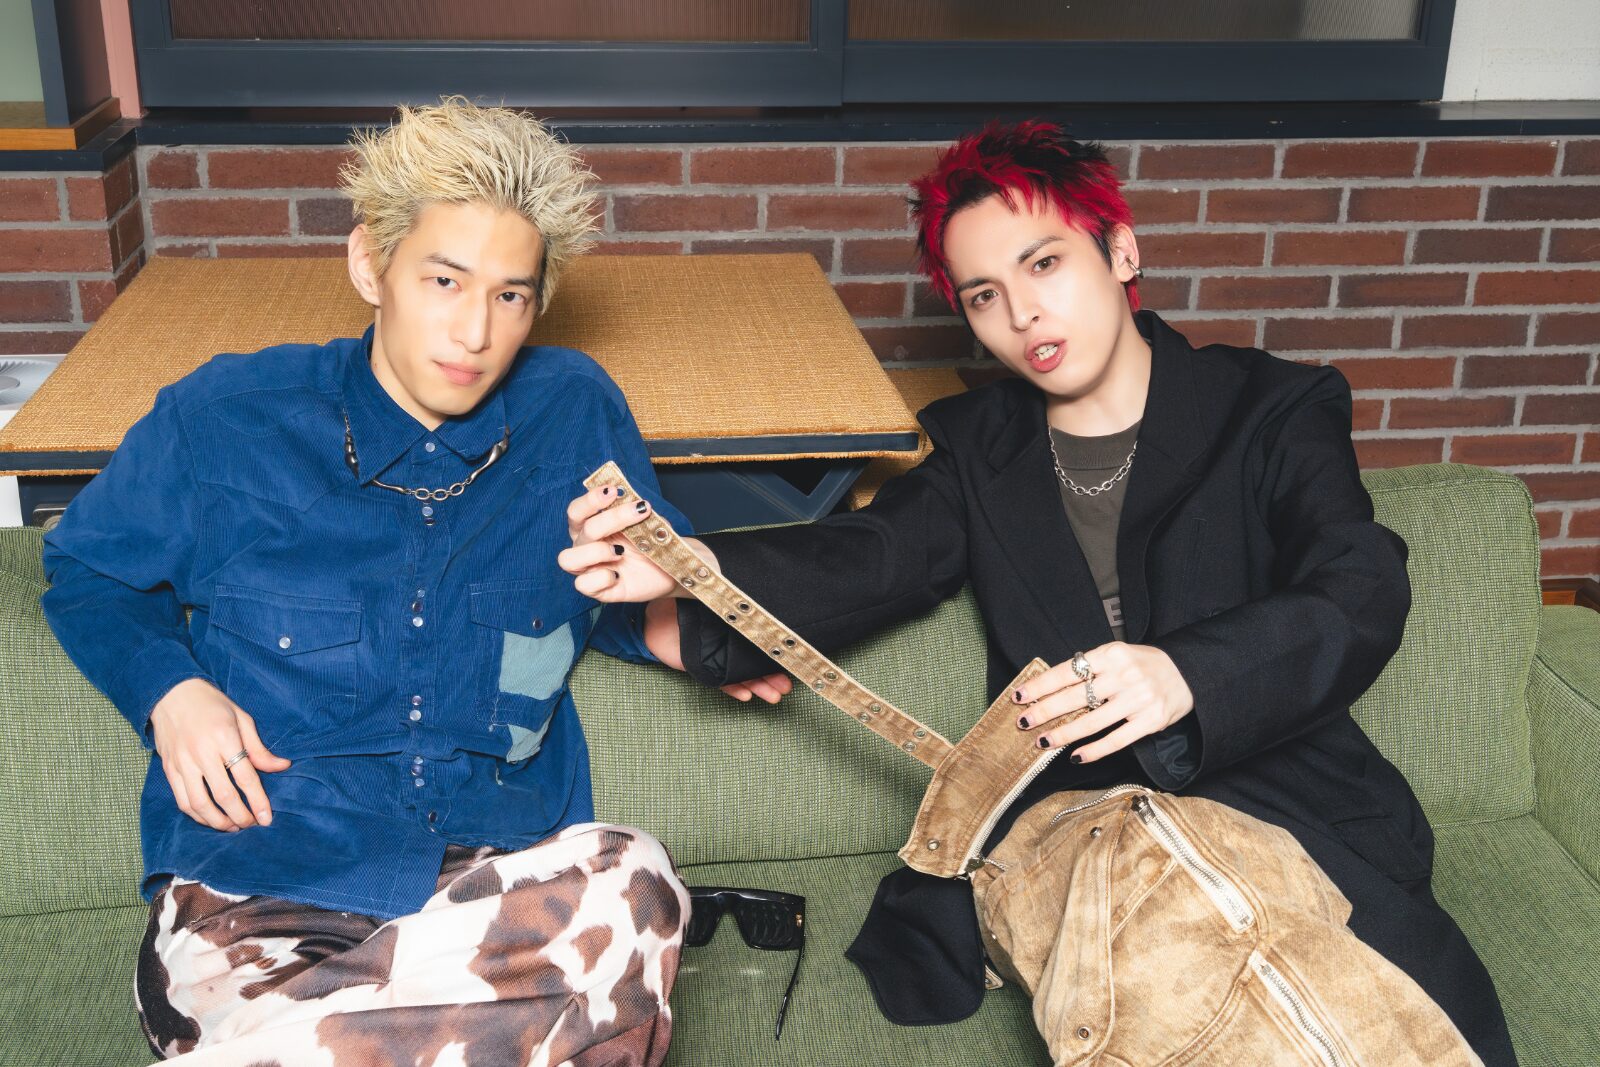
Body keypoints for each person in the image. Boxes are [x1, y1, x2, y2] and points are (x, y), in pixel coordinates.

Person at [559, 120, 1517, 1064]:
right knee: (1159, 917)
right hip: (1080, 827)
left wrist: (1186, 674)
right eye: (984, 294)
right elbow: (872, 556)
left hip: (1287, 811)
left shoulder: (1272, 407)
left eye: (1044, 264)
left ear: (1121, 251)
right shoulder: (978, 445)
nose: (1021, 313)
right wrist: (687, 569)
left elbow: (1360, 582)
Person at [43, 98, 690, 1067]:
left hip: (495, 889)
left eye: (510, 296)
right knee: (590, 1005)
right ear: (368, 265)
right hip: (254, 894)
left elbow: (630, 588)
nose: (474, 330)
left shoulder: (574, 413)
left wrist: (691, 609)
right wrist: (168, 689)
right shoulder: (222, 418)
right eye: (444, 279)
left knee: (635, 882)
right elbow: (84, 566)